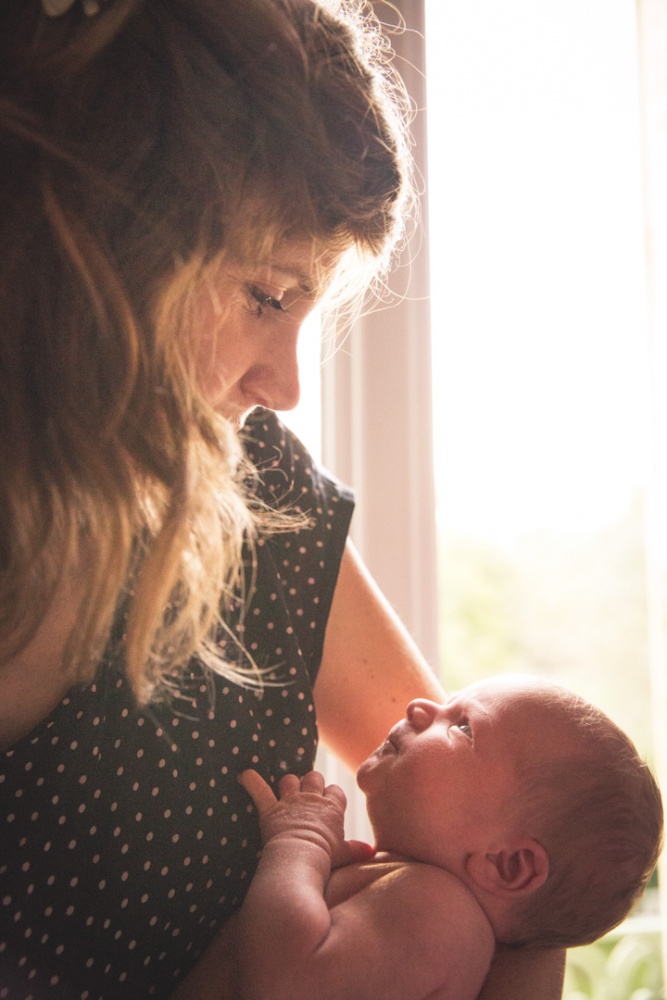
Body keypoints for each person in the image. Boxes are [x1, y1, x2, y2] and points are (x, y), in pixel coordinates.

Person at [0, 0, 565, 997]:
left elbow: (517, 875)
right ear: (115, 239)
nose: (286, 386)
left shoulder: (258, 489)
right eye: (267, 294)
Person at [209, 675, 663, 1000]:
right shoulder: (418, 897)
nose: (420, 706)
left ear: (508, 865)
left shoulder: (438, 912)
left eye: (463, 726)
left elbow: (286, 985)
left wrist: (299, 843)